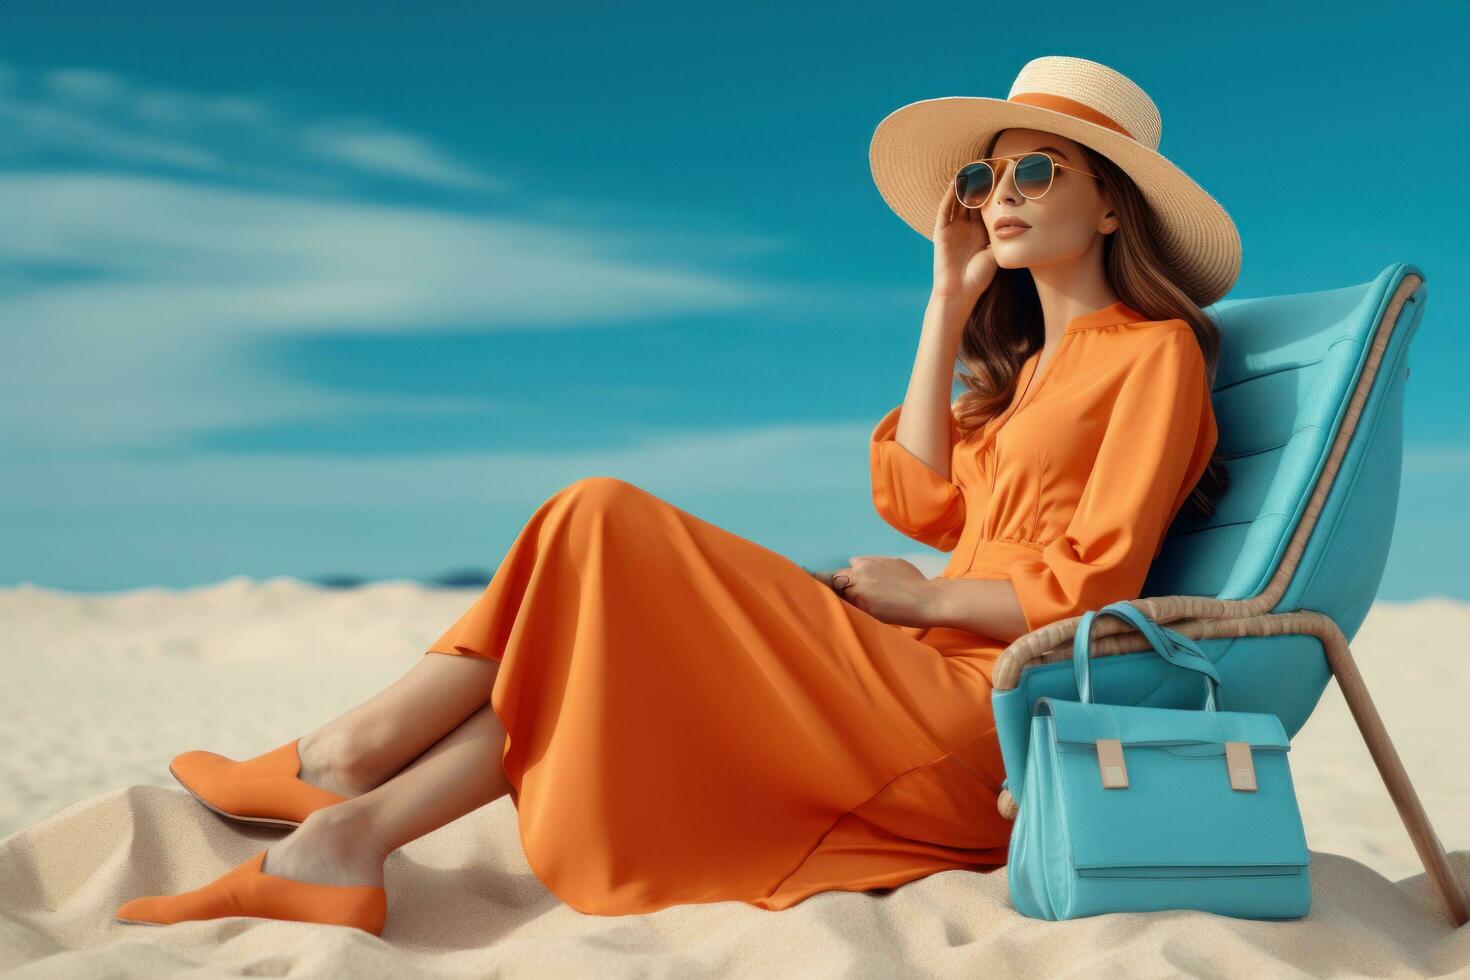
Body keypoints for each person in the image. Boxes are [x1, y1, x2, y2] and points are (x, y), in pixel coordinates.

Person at [114, 54, 1233, 935]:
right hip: (910, 665)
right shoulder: (1027, 372)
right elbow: (920, 501)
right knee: (591, 587)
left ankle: (346, 757)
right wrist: (945, 299)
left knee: (598, 513)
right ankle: (347, 834)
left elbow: (1098, 582)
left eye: (1041, 171)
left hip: (981, 715)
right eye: (988, 176)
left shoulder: (1155, 357)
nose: (1002, 197)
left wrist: (932, 603)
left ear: (1111, 209)